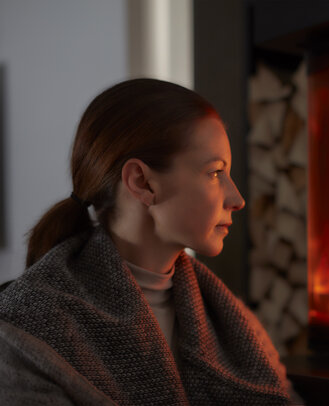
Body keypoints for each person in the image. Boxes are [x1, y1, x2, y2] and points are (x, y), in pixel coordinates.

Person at [0, 79, 296, 405]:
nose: (237, 199)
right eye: (215, 173)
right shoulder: (24, 333)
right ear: (142, 182)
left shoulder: (237, 324)